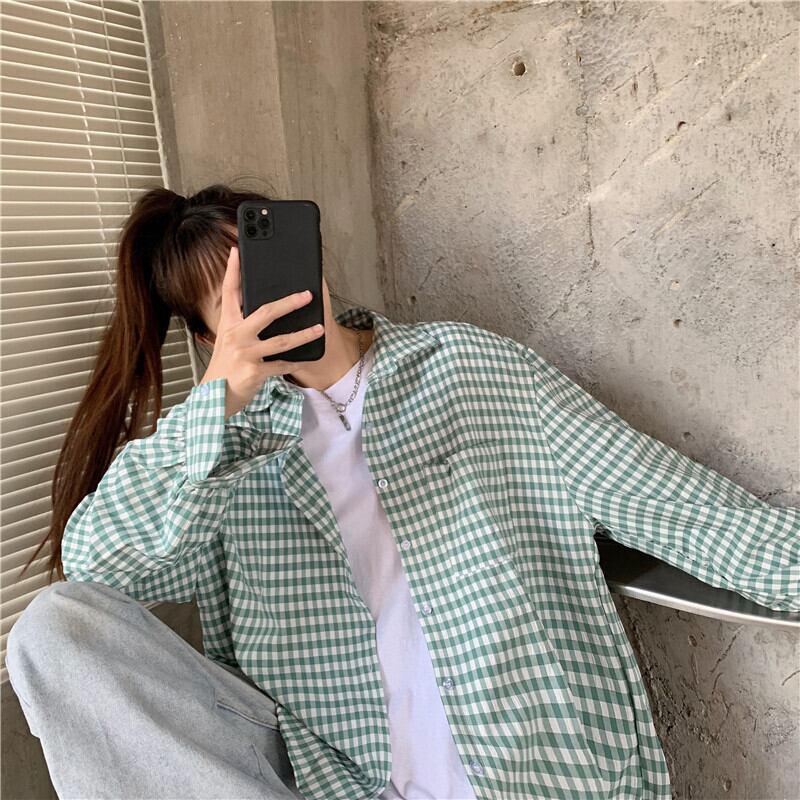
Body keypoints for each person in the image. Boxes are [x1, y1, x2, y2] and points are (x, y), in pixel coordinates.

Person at [5, 183, 798, 800]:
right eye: (240, 301)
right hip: (341, 782)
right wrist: (220, 401)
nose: (273, 300)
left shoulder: (472, 371)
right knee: (48, 630)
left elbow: (680, 508)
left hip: (535, 775)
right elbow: (97, 572)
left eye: (271, 267)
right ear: (213, 338)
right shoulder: (217, 458)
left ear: (311, 253)